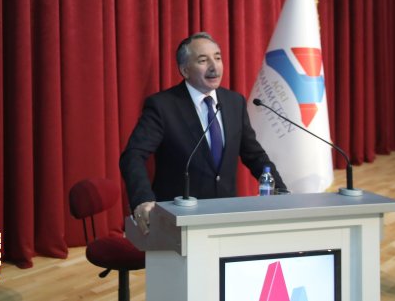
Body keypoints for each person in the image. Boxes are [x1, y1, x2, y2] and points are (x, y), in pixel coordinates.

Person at [119, 32, 286, 234]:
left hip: (226, 216)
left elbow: (255, 155)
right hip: (178, 220)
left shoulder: (234, 102)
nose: (214, 67)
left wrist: (282, 192)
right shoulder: (163, 106)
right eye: (203, 60)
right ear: (185, 70)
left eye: (217, 58)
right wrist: (143, 200)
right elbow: (133, 155)